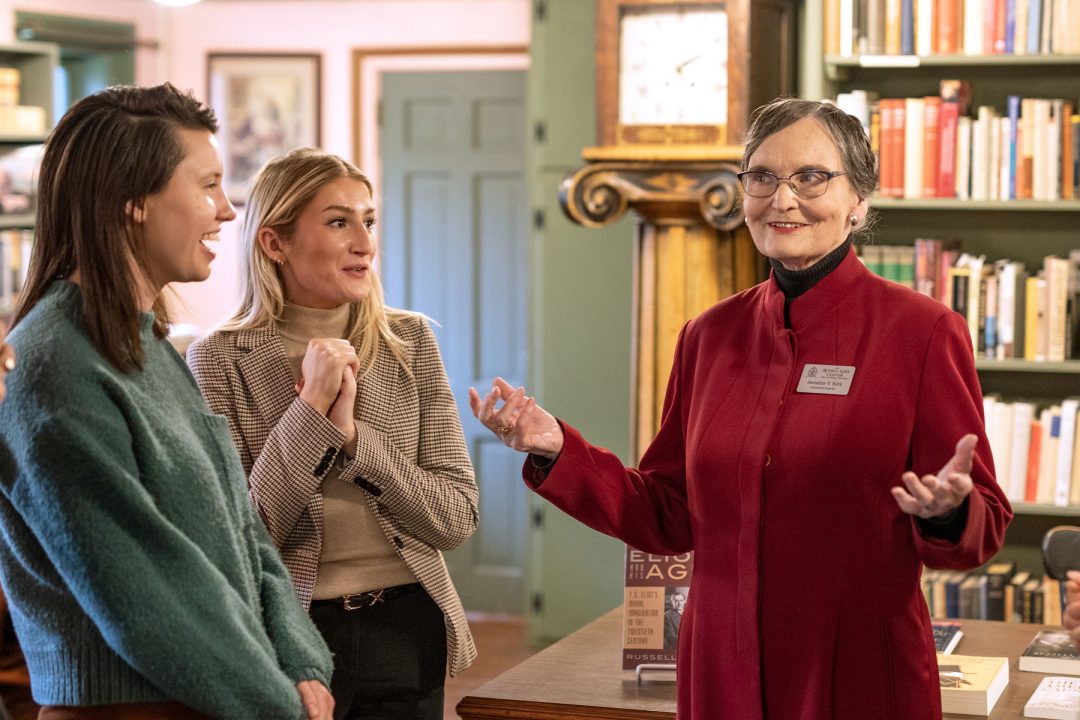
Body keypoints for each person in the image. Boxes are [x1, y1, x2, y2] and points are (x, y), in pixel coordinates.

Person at [469, 97, 1012, 720]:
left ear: (859, 201)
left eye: (811, 177)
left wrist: (949, 513)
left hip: (854, 672)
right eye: (762, 177)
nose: (783, 199)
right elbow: (668, 514)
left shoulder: (923, 332)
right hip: (720, 672)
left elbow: (983, 524)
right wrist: (557, 449)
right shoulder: (708, 336)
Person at [0, 83, 334, 720]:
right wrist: (279, 703)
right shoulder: (52, 365)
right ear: (132, 201)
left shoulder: (148, 344)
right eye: (208, 186)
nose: (227, 210)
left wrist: (300, 663)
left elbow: (244, 533)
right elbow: (144, 595)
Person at [187, 148, 478, 720]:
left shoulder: (411, 341)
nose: (365, 243)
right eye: (339, 222)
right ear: (274, 243)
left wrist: (354, 441)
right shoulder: (216, 359)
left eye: (368, 221)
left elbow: (455, 518)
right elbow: (243, 538)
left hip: (410, 627)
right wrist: (311, 413)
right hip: (291, 634)